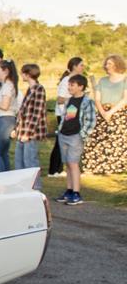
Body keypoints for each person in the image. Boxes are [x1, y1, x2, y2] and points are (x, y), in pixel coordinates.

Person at [82, 54, 127, 175]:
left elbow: (125, 99)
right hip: (102, 111)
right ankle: (94, 166)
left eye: (110, 64)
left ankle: (114, 167)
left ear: (117, 65)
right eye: (106, 64)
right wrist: (103, 112)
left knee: (116, 141)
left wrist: (111, 113)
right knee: (95, 140)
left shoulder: (125, 79)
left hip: (119, 113)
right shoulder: (102, 80)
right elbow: (97, 99)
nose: (107, 66)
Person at [56, 75, 95, 204]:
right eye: (69, 84)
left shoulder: (87, 101)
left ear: (80, 87)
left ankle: (76, 193)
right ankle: (69, 190)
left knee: (73, 163)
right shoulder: (70, 100)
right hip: (64, 134)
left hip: (75, 137)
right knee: (67, 163)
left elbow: (90, 121)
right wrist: (61, 129)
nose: (69, 87)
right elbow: (68, 117)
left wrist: (82, 134)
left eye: (72, 85)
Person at [14, 64, 48, 188]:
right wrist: (17, 129)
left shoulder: (39, 89)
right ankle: (23, 186)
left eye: (23, 73)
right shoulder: (29, 89)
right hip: (22, 131)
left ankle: (35, 187)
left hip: (30, 133)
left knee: (30, 161)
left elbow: (36, 113)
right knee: (19, 161)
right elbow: (23, 113)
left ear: (28, 74)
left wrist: (28, 133)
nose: (21, 75)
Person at [51, 57, 86, 175]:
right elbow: (60, 99)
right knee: (60, 142)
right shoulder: (66, 80)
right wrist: (75, 100)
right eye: (81, 65)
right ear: (74, 66)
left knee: (67, 142)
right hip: (63, 114)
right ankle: (54, 169)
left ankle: (60, 168)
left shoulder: (78, 80)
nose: (83, 67)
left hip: (71, 114)